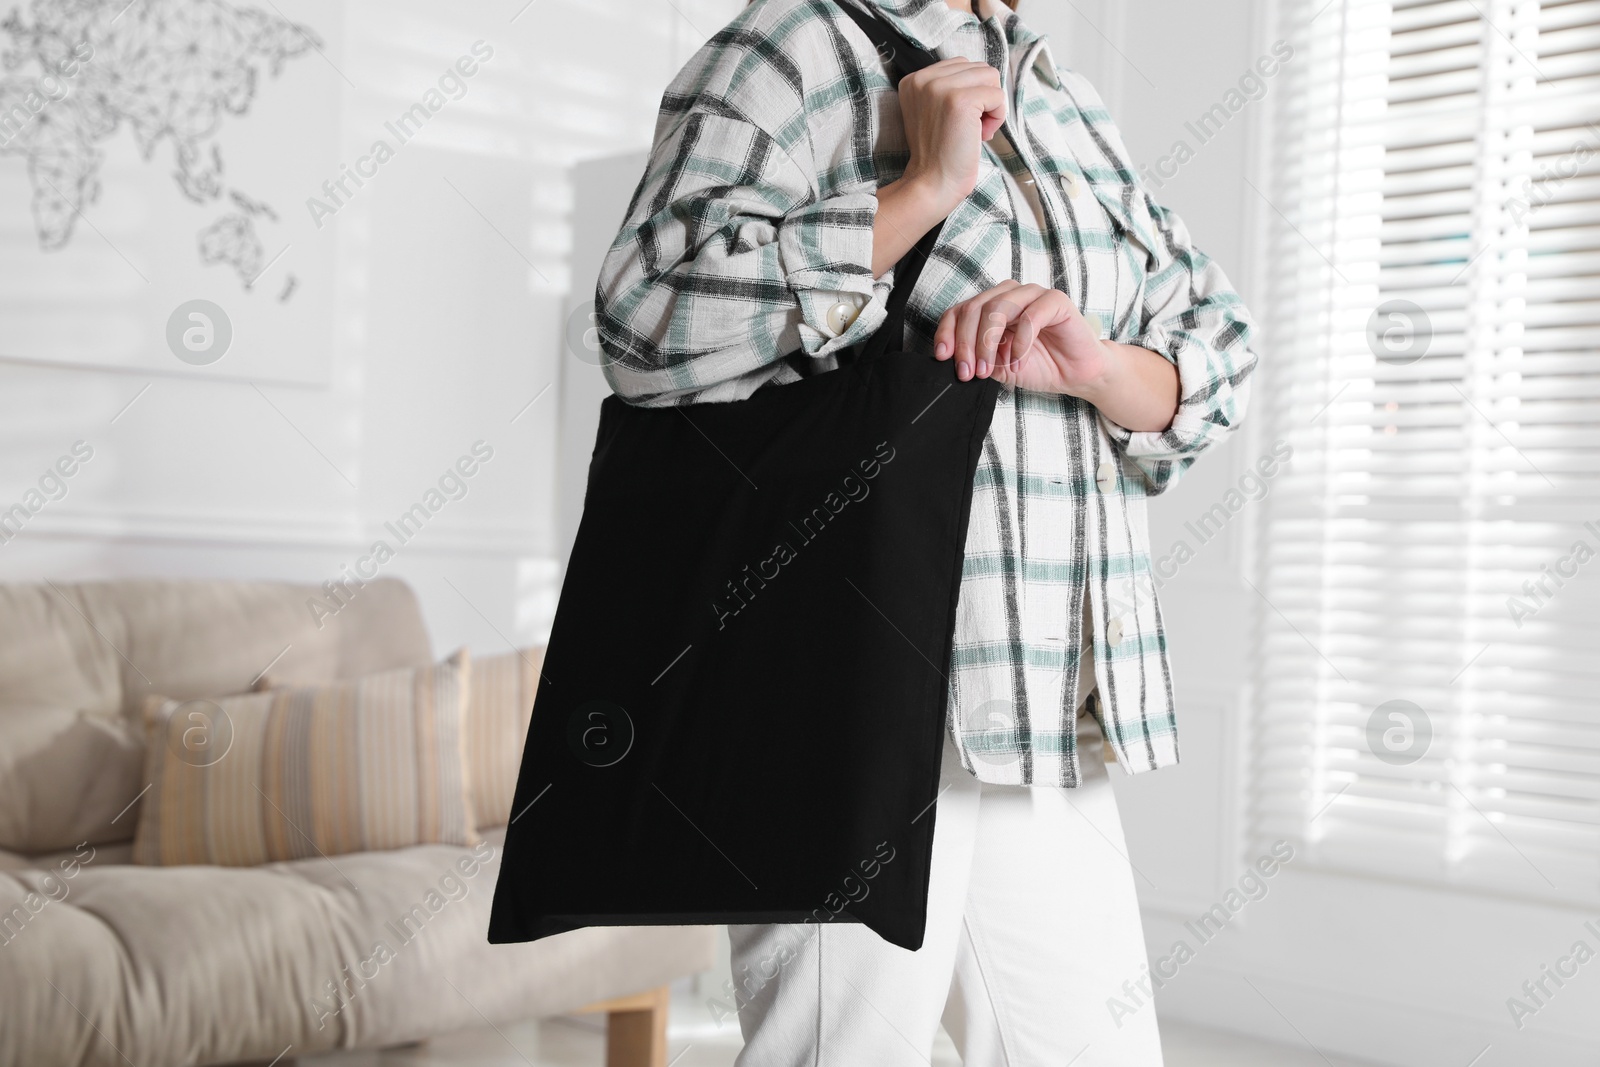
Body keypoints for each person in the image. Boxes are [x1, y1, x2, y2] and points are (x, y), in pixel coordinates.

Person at [594, 0, 1260, 1061]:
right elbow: (646, 322)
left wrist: (1095, 366)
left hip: (1043, 702)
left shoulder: (1056, 89)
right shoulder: (792, 45)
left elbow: (1216, 341)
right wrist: (919, 191)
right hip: (856, 691)